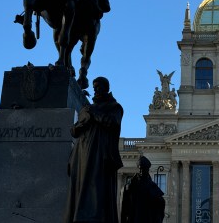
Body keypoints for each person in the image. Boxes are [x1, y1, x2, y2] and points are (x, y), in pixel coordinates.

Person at [65, 77, 123, 223]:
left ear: (106, 89)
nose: (95, 90)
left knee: (95, 188)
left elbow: (113, 123)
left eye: (99, 87)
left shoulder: (114, 107)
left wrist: (94, 114)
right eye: (94, 87)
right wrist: (82, 122)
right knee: (79, 189)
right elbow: (74, 131)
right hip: (81, 154)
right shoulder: (87, 108)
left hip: (98, 153)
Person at [121, 156, 165, 223]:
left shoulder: (150, 184)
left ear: (147, 170)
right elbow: (125, 203)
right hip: (136, 216)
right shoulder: (132, 184)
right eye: (140, 168)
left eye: (144, 169)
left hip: (146, 216)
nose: (142, 171)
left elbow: (161, 201)